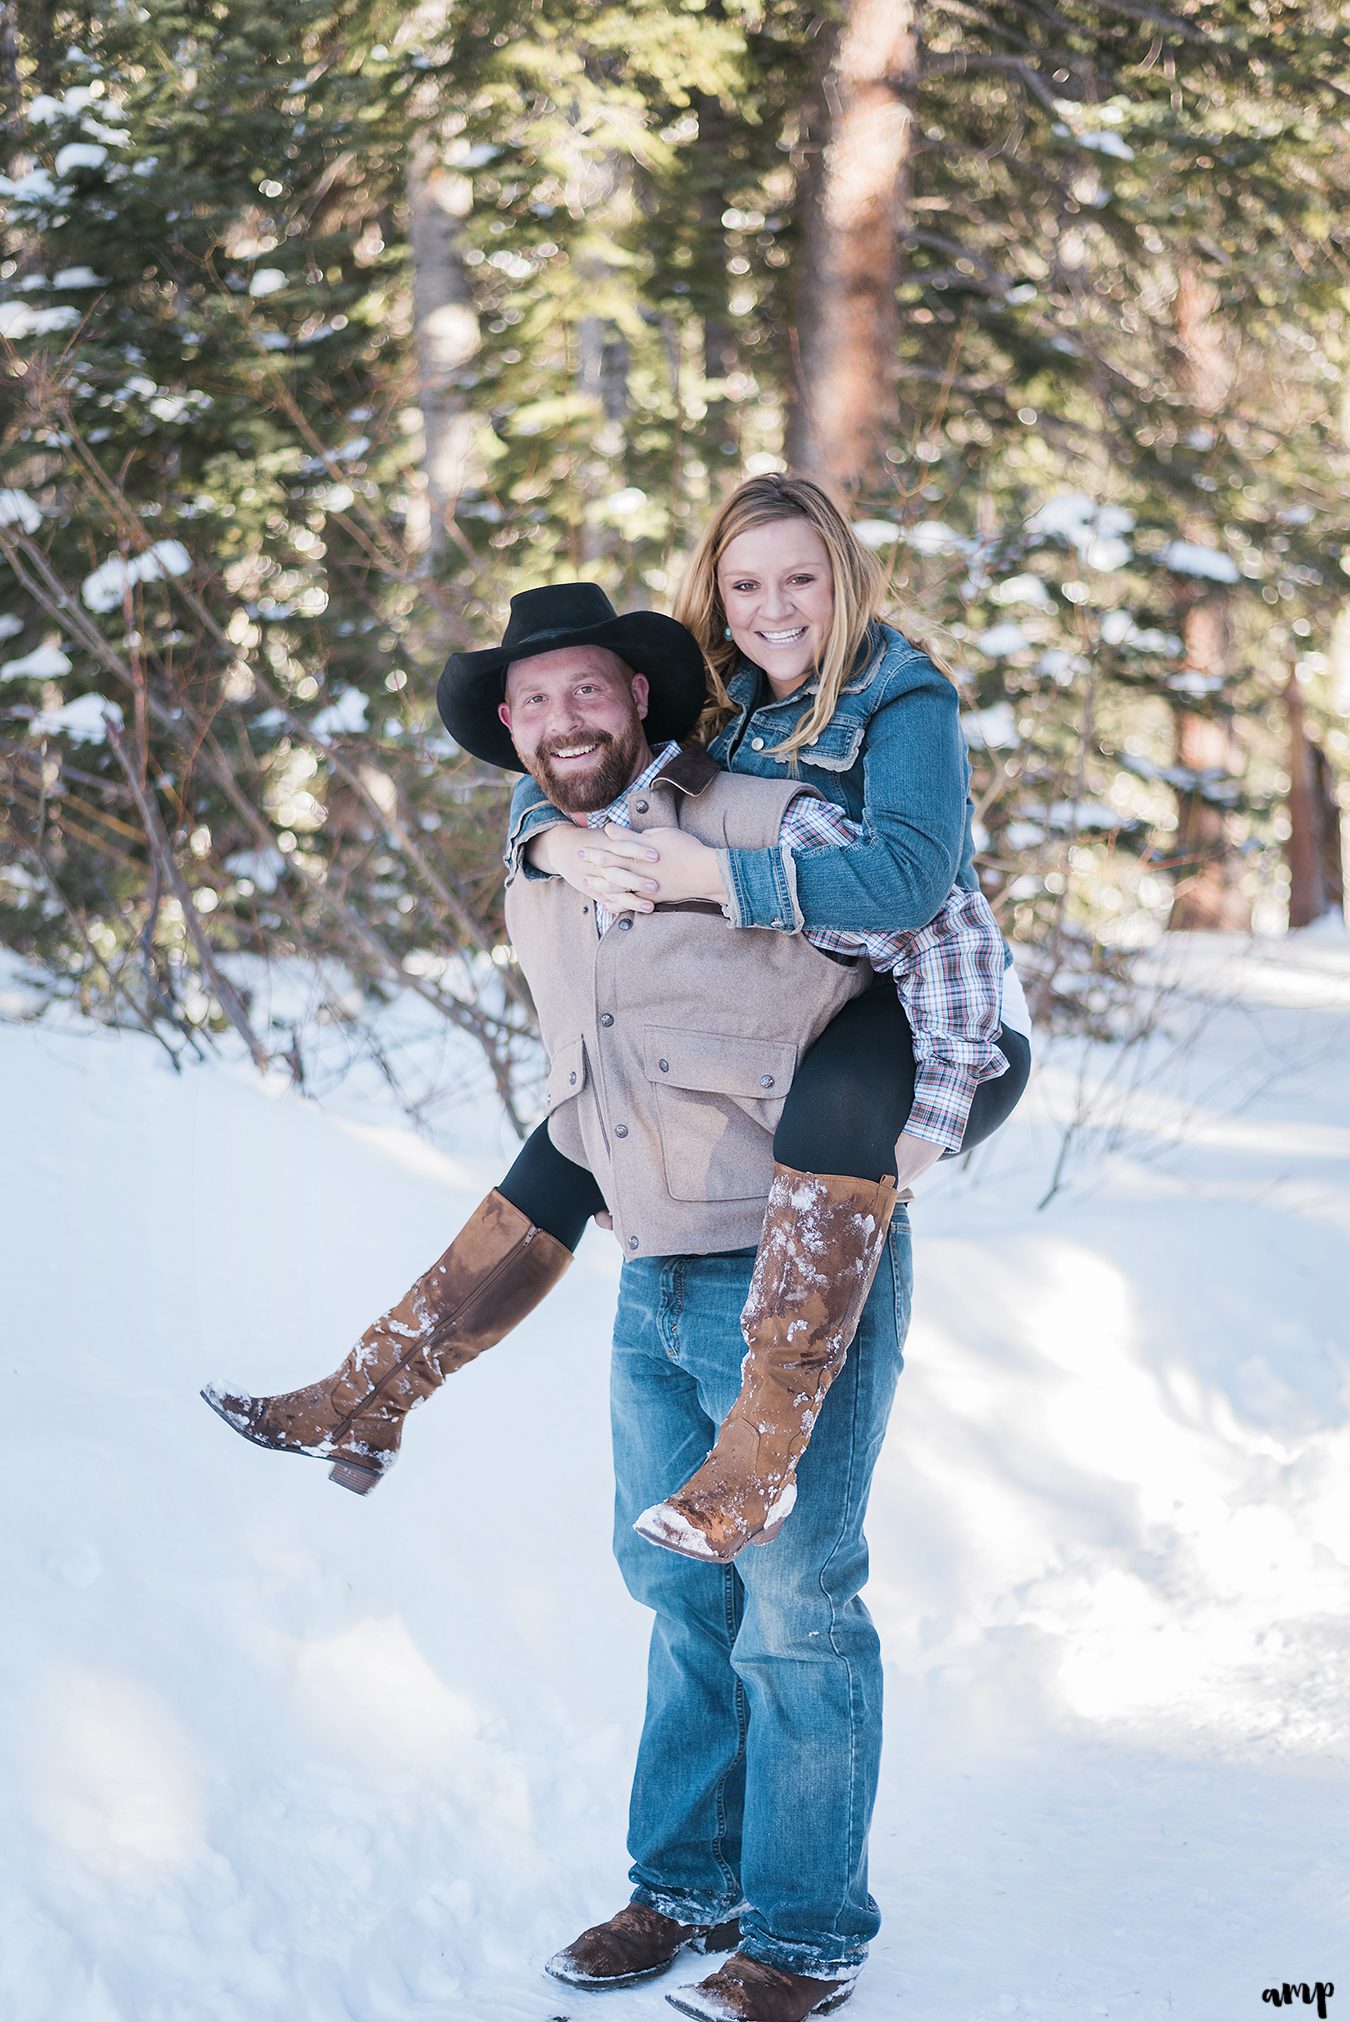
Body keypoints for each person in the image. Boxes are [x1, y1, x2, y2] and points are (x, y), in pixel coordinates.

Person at [203, 567, 1025, 2021]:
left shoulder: (757, 814)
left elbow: (937, 918)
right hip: (644, 1270)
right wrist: (546, 845)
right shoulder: (544, 855)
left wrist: (929, 1116)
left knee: (798, 1610)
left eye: (590, 687)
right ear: (511, 728)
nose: (563, 717)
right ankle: (683, 1887)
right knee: (675, 1594)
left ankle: (805, 1931)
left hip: (791, 1272)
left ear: (640, 694)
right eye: (534, 700)